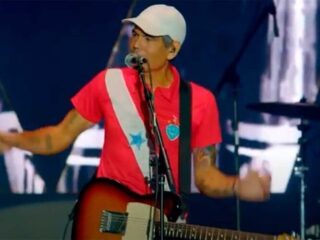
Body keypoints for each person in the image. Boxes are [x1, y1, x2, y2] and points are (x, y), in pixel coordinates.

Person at [0, 4, 270, 202]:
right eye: (135, 34)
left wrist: (237, 185)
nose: (137, 44)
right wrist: (11, 140)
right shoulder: (108, 83)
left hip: (163, 221)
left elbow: (205, 177)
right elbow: (58, 137)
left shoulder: (199, 102)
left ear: (172, 49)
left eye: (148, 38)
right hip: (106, 218)